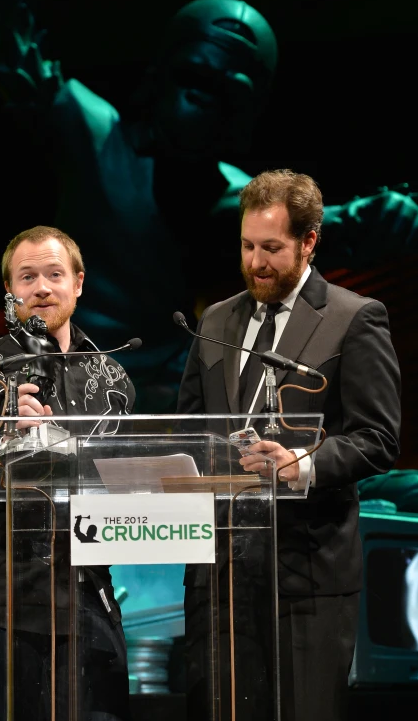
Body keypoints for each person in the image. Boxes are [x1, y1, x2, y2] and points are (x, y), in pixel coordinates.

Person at [0, 0, 417, 413]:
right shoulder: (98, 139)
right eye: (194, 80)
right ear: (160, 75)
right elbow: (19, 62)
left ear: (245, 117)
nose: (201, 107)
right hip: (66, 377)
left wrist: (374, 218)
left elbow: (303, 232)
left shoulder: (238, 196)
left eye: (225, 97)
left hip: (173, 394)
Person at [176, 169, 401, 721]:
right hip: (220, 575)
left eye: (272, 248)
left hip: (308, 576)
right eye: (248, 246)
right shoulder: (216, 321)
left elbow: (378, 438)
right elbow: (186, 430)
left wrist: (302, 464)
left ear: (309, 241)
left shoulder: (354, 318)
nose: (256, 262)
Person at [0, 225, 135, 721]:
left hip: (88, 597)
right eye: (27, 277)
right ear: (10, 291)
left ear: (78, 283)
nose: (41, 287)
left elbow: (123, 483)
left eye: (54, 274)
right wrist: (6, 441)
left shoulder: (115, 379)